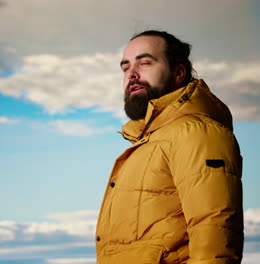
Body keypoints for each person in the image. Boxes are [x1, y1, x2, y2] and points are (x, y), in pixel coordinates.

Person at [95, 30, 244, 264]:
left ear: (178, 73)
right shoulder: (147, 144)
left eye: (145, 63)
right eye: (125, 68)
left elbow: (215, 231)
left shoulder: (196, 133)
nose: (132, 74)